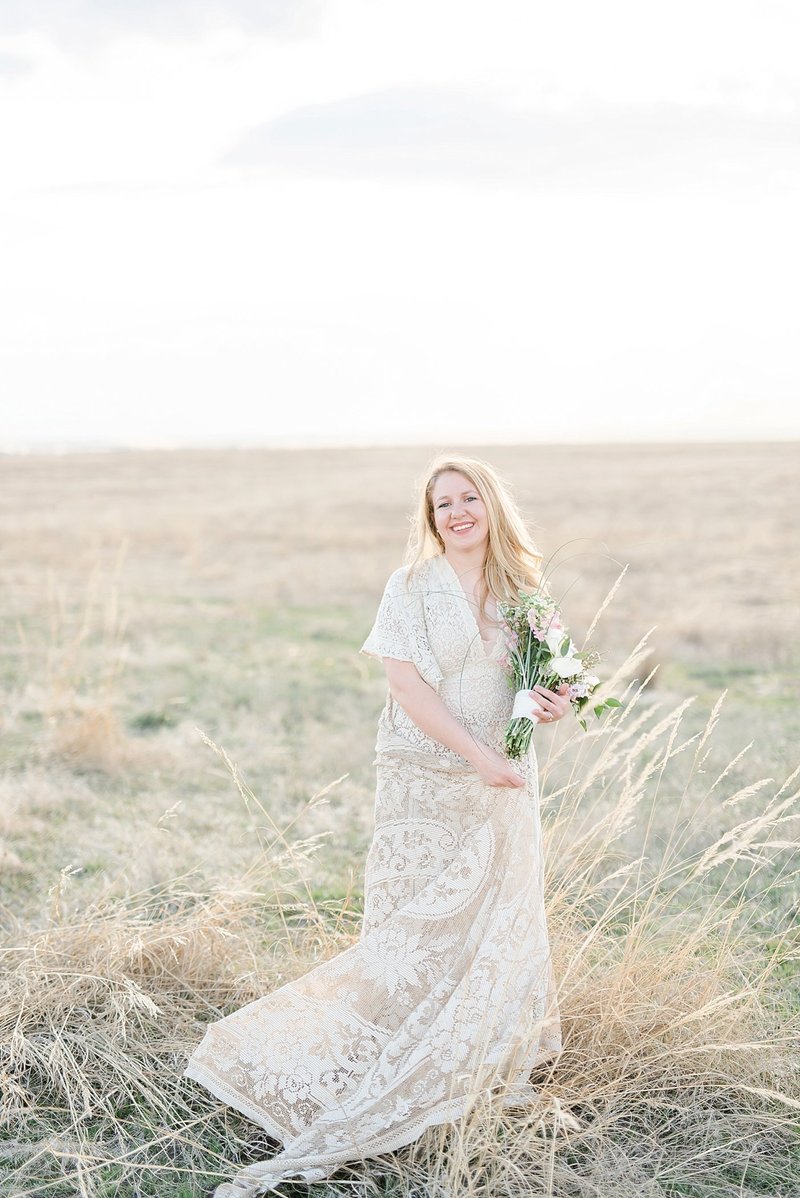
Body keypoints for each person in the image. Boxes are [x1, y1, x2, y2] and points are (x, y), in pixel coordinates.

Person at [183, 453, 567, 1196]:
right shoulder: (412, 588)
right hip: (428, 772)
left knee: (496, 916)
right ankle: (377, 1057)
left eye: (467, 498)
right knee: (411, 926)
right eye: (440, 504)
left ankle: (476, 1067)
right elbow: (404, 682)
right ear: (429, 520)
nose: (455, 513)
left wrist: (554, 705)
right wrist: (474, 753)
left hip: (503, 777)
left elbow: (550, 681)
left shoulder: (526, 591)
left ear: (491, 506)